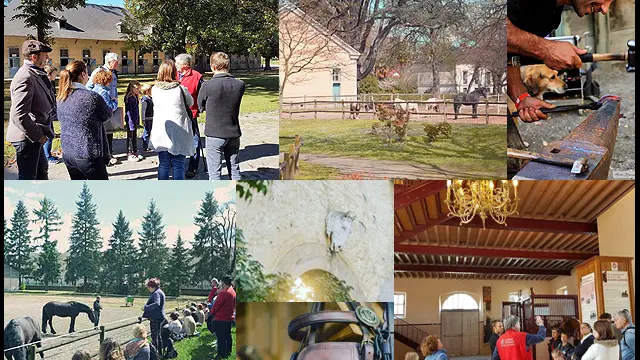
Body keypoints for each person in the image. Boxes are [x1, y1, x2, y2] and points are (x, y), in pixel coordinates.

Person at [7, 40, 56, 180]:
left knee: (41, 173)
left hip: (33, 137)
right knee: (28, 179)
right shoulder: (25, 77)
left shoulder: (34, 73)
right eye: (44, 55)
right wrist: (38, 135)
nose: (47, 58)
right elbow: (18, 114)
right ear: (34, 57)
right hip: (27, 137)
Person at [56, 60, 111, 180]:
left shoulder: (61, 97)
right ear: (83, 74)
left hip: (68, 153)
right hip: (88, 153)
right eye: (87, 72)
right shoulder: (91, 97)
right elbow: (107, 115)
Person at [198, 52, 245, 180]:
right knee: (235, 170)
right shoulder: (240, 84)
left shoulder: (207, 86)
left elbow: (200, 105)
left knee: (214, 173)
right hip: (233, 132)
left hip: (215, 132)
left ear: (212, 66)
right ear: (228, 66)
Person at [149, 60, 196, 180]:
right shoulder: (180, 89)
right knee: (178, 165)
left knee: (163, 163)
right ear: (174, 72)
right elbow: (190, 102)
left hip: (161, 130)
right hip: (179, 129)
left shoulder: (155, 89)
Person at [87, 52, 120, 166]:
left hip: (110, 105)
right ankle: (104, 156)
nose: (118, 64)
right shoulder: (99, 72)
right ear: (109, 61)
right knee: (102, 132)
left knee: (110, 131)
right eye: (116, 62)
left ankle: (109, 153)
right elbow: (89, 87)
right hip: (104, 105)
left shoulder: (113, 72)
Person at [175, 53, 204, 178]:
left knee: (195, 141)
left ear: (185, 65)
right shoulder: (173, 74)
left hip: (190, 114)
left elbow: (203, 95)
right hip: (175, 114)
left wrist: (199, 109)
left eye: (177, 63)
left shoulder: (197, 76)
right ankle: (175, 163)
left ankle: (193, 166)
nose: (175, 65)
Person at [209, 275, 236, 360]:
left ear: (223, 283)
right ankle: (228, 351)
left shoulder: (223, 293)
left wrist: (211, 313)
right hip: (229, 318)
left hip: (221, 318)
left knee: (221, 338)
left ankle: (221, 354)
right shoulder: (232, 291)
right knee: (228, 336)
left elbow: (216, 306)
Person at [142, 278, 166, 354]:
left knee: (154, 336)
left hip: (156, 318)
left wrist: (145, 308)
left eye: (148, 287)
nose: (148, 289)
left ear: (151, 287)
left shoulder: (156, 293)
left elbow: (157, 303)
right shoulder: (160, 292)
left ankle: (155, 354)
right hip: (159, 317)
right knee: (158, 336)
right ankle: (159, 353)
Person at [43, 64, 61, 165]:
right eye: (55, 74)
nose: (56, 75)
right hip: (47, 113)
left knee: (50, 133)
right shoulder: (47, 85)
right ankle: (47, 156)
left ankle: (46, 154)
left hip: (49, 112)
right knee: (49, 134)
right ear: (49, 74)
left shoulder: (49, 83)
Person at [124, 80, 144, 161]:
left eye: (139, 88)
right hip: (130, 120)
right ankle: (129, 152)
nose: (138, 90)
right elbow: (128, 111)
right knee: (130, 137)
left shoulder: (135, 97)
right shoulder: (128, 98)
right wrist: (131, 122)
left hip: (135, 119)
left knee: (134, 136)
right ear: (132, 88)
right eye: (136, 88)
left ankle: (135, 151)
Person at [140, 84, 154, 152]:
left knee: (151, 132)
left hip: (152, 117)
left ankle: (150, 145)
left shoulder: (150, 98)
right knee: (146, 132)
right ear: (147, 91)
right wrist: (143, 119)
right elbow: (143, 110)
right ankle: (145, 145)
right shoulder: (144, 100)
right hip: (147, 118)